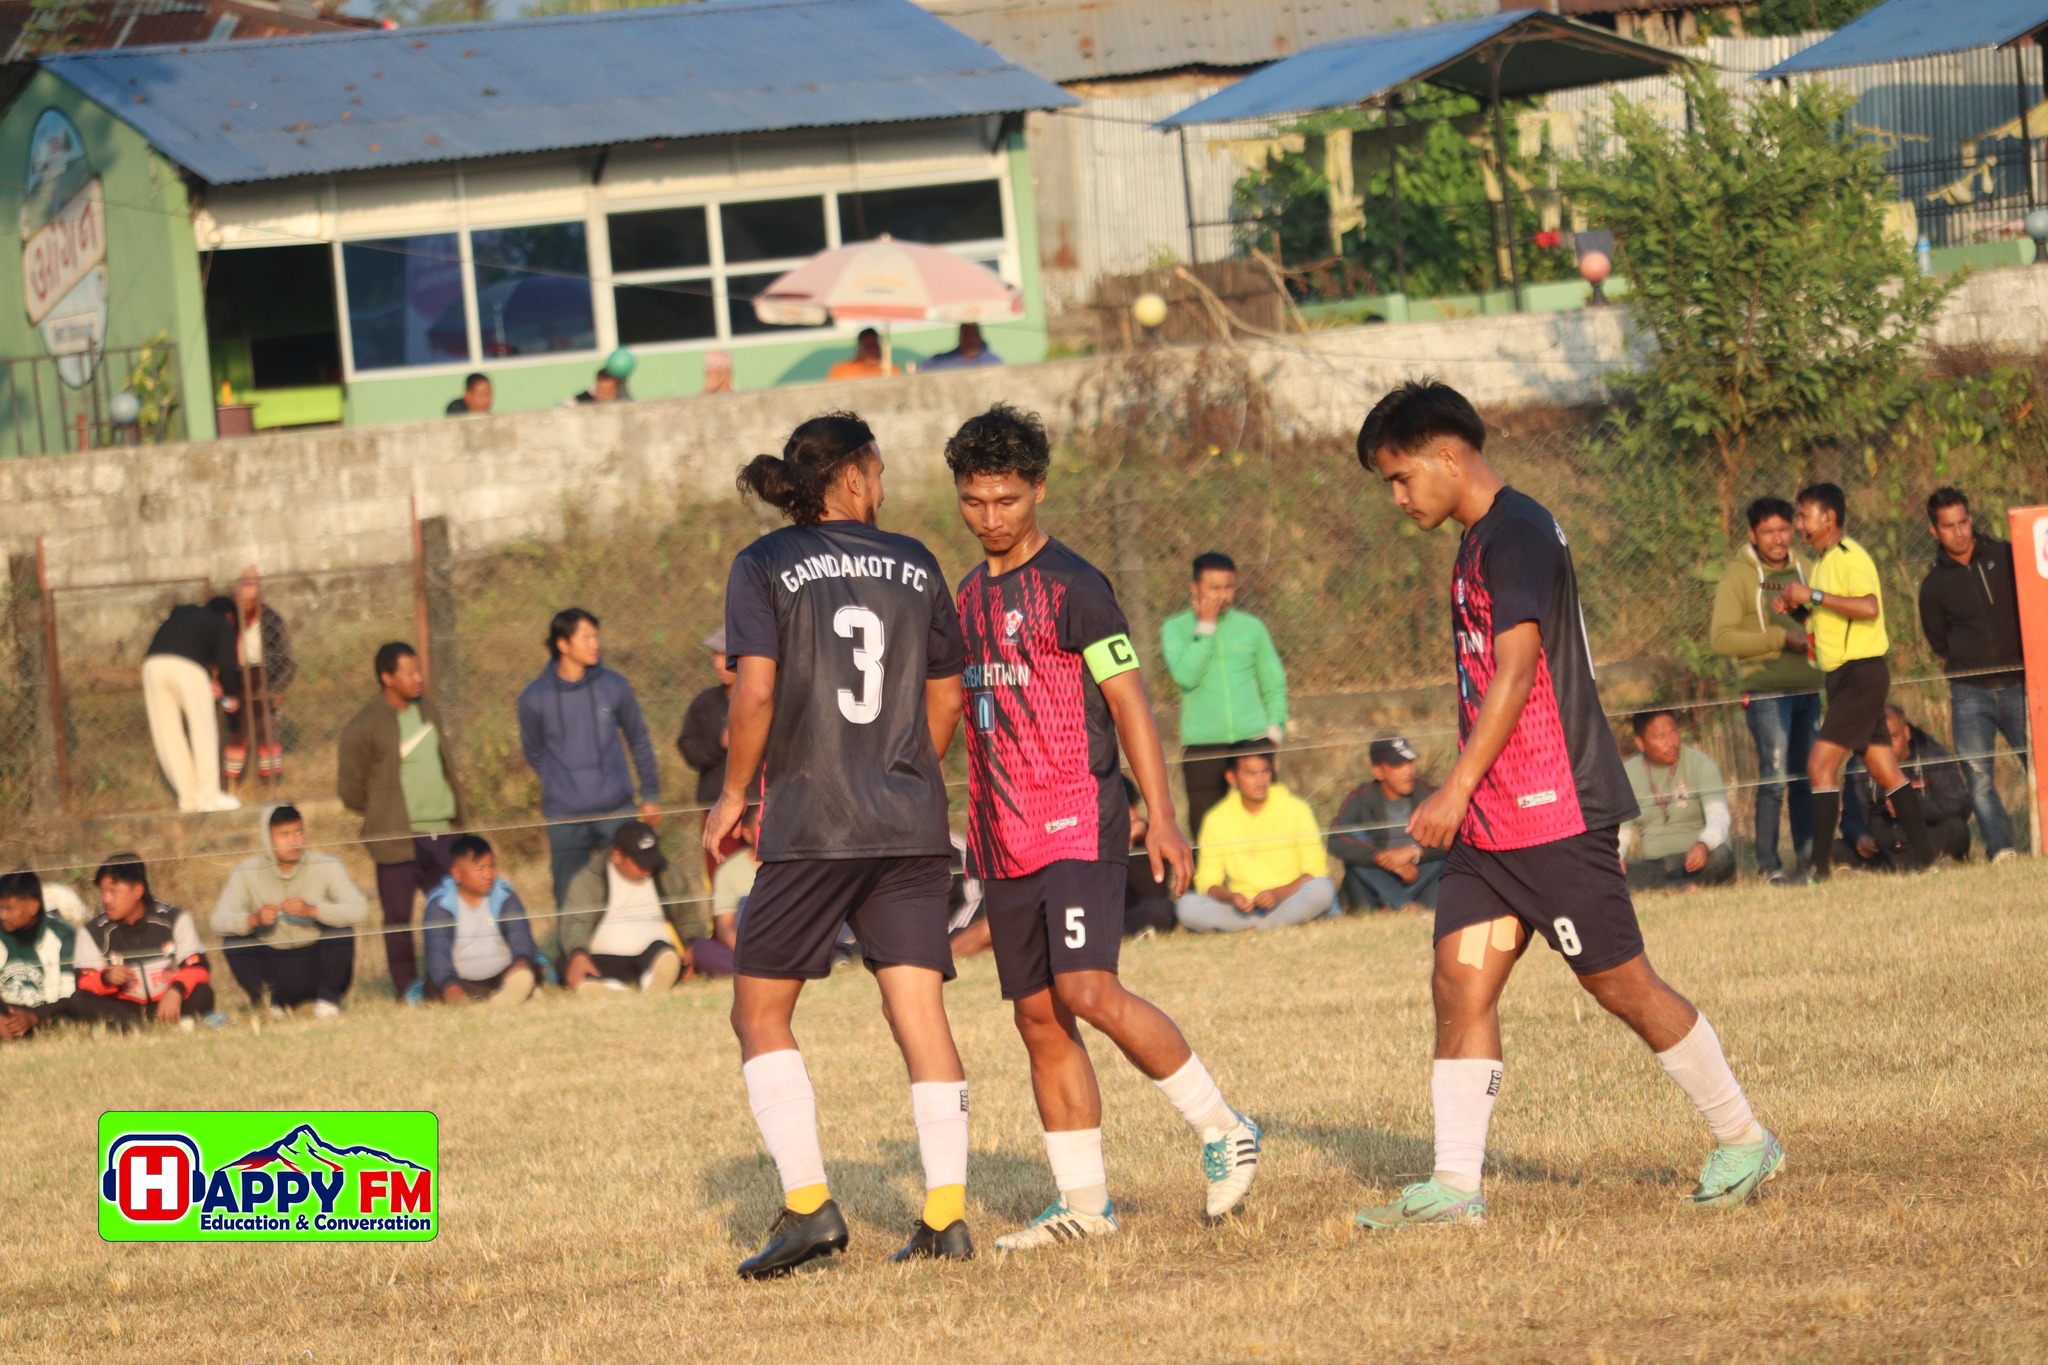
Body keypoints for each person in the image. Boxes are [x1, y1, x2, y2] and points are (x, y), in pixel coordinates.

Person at [1350, 380, 1779, 1229]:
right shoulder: (1478, 537)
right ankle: (1456, 1186)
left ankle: (1744, 1135)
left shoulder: (1514, 532)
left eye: (1400, 478)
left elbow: (1516, 671)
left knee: (1622, 985)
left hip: (1555, 809)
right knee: (1458, 981)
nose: (1397, 498)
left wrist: (1454, 785)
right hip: (1494, 824)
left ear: (1446, 455)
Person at [947, 402, 1260, 1250]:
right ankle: (1085, 1204)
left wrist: (1162, 816)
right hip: (1004, 838)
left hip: (1081, 819)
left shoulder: (1076, 586)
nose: (990, 517)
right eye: (974, 500)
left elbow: (1128, 699)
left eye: (1006, 499)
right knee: (1039, 1016)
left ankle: (1224, 1125)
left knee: (1088, 989)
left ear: (1039, 490)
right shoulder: (966, 597)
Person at [703, 410, 973, 1276]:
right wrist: (898, 776)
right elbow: (946, 701)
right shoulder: (917, 560)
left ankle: (811, 1207)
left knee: (759, 1011)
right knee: (918, 1009)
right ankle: (946, 1214)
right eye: (878, 465)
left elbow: (753, 694)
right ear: (852, 475)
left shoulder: (766, 562)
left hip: (816, 820)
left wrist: (737, 791)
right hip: (907, 817)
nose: (884, 479)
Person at [1772, 483, 1937, 881]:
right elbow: (1826, 619)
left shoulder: (1850, 556)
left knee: (1819, 765)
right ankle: (1926, 858)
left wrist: (1810, 593)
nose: (1799, 525)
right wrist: (1797, 609)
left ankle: (1819, 869)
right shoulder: (1825, 562)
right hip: (1844, 677)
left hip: (1860, 674)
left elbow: (1868, 606)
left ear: (1827, 518)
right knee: (1884, 768)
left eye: (1803, 516)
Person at [337, 642, 467, 1003]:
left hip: (442, 832)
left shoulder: (429, 712)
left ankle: (456, 978)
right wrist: (385, 811)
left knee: (452, 909)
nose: (418, 678)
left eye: (419, 670)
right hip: (396, 839)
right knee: (399, 920)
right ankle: (408, 989)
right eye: (409, 672)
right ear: (386, 678)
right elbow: (351, 790)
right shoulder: (363, 727)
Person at [518, 608, 663, 912]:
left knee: (630, 892)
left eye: (596, 636)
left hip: (616, 809)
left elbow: (638, 737)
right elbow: (534, 752)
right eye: (587, 638)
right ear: (563, 644)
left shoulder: (614, 686)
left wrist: (650, 793)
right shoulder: (534, 697)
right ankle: (574, 957)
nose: (595, 643)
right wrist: (562, 783)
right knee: (570, 896)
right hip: (565, 816)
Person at [1710, 496, 1821, 884]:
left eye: (1784, 529)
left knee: (1808, 776)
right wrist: (1778, 638)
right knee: (1773, 778)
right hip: (1766, 693)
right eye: (1768, 531)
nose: (1778, 538)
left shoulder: (1808, 569)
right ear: (1752, 534)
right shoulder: (1738, 576)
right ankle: (1769, 866)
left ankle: (1809, 862)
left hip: (1810, 689)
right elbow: (1721, 639)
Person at [1918, 487, 2027, 865]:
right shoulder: (1933, 586)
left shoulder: (2005, 556)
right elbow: (1939, 641)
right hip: (1969, 694)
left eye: (1964, 521)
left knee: (2041, 763)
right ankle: (2002, 849)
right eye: (1949, 526)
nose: (1960, 532)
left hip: (2022, 685)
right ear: (1934, 531)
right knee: (1979, 778)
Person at [1161, 552, 1289, 835]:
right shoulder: (1176, 628)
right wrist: (1205, 628)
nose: (1223, 595)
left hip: (1253, 742)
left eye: (1229, 587)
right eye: (1214, 588)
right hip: (1203, 745)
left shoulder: (1251, 627)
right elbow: (1185, 676)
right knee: (1206, 832)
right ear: (1194, 588)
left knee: (1267, 829)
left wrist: (1274, 729)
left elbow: (1273, 682)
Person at [212, 804, 367, 1018]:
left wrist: (314, 911)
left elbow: (360, 909)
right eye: (284, 835)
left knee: (342, 929)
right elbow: (218, 921)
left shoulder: (326, 865)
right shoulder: (246, 872)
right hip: (274, 966)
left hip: (316, 961)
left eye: (298, 832)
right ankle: (269, 1005)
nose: (294, 841)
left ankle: (328, 1002)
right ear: (268, 838)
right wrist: (253, 919)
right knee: (233, 941)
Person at [1174, 751, 1336, 932]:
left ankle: (1255, 927)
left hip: (1287, 899)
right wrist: (1232, 897)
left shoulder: (1297, 809)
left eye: (1264, 772)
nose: (1260, 781)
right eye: (1251, 774)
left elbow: (1316, 870)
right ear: (1231, 777)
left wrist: (1277, 893)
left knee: (1323, 888)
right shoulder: (1216, 818)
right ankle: (1269, 925)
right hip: (1242, 909)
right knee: (1186, 906)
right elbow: (1207, 879)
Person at [558, 821, 710, 991]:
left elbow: (688, 916)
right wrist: (578, 954)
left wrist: (693, 945)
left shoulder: (669, 874)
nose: (648, 869)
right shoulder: (588, 880)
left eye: (651, 860)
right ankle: (610, 986)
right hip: (603, 959)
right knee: (566, 962)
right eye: (640, 863)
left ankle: (653, 979)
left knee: (663, 951)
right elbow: (576, 922)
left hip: (654, 954)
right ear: (616, 855)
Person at [71, 853, 215, 1029]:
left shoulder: (174, 919)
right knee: (80, 1001)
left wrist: (176, 991)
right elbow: (83, 981)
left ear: (138, 890)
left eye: (113, 891)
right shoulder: (93, 932)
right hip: (123, 1007)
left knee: (203, 993)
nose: (106, 899)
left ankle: (166, 1022)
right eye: (103, 891)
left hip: (168, 1001)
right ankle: (135, 1026)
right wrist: (106, 978)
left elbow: (198, 968)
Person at [1839, 705, 1974, 871]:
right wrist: (1860, 836)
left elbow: (1960, 805)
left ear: (1907, 732)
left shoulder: (1933, 755)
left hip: (1927, 841)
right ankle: (1861, 869)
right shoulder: (1859, 763)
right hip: (1880, 848)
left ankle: (1931, 861)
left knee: (1957, 829)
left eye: (1893, 737)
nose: (1887, 746)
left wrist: (1914, 808)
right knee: (1831, 847)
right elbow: (1851, 816)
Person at [141, 597, 242, 813]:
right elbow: (227, 663)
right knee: (202, 728)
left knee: (168, 734)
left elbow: (185, 646)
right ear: (230, 615)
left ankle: (188, 800)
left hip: (152, 665)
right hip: (187, 668)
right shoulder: (221, 622)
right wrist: (231, 694)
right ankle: (209, 797)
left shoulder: (180, 617)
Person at [1619, 712, 1736, 892]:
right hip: (1655, 864)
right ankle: (1676, 887)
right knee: (1608, 872)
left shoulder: (1701, 764)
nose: (1671, 742)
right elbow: (1622, 832)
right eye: (1660, 737)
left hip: (1697, 860)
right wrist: (1616, 857)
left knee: (1722, 857)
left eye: (1674, 733)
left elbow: (1719, 817)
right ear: (1640, 743)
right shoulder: (1626, 774)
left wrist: (1704, 845)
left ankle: (1666, 887)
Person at [1330, 735, 1447, 911]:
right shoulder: (1360, 797)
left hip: (1420, 873)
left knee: (1445, 858)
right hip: (1377, 877)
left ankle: (1395, 905)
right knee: (1357, 859)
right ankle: (1402, 904)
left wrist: (1415, 852)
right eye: (1398, 765)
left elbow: (1457, 834)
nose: (1409, 771)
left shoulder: (1431, 794)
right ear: (1378, 772)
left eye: (1410, 762)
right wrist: (1381, 858)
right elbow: (1335, 839)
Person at [421, 835, 542, 1005]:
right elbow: (437, 953)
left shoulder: (505, 896)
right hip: (461, 980)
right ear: (456, 873)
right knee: (434, 986)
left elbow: (521, 935)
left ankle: (515, 990)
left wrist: (521, 963)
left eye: (491, 866)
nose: (488, 874)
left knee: (528, 970)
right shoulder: (440, 905)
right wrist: (449, 985)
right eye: (479, 868)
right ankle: (511, 996)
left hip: (503, 974)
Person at [222, 566, 296, 784]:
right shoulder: (226, 618)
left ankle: (270, 779)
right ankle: (232, 779)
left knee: (269, 725)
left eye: (254, 584)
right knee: (236, 726)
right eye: (245, 584)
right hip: (233, 675)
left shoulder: (270, 619)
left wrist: (277, 687)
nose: (248, 596)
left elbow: (285, 659)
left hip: (264, 673)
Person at [0, 870, 78, 1040]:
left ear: (33, 906)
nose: (2, 915)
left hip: (48, 1015)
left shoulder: (63, 936)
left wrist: (34, 1017)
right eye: (0, 907)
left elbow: (70, 997)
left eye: (9, 908)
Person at [1121, 777, 1178, 937]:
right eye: (1123, 808)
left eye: (1133, 806)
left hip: (1136, 912)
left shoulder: (1149, 837)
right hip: (1098, 915)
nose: (1133, 815)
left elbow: (1153, 895)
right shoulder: (1085, 841)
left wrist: (1131, 844)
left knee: (1163, 910)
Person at [922, 322, 1003, 370]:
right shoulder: (942, 362)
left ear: (980, 337)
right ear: (960, 338)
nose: (970, 340)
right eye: (967, 335)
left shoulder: (993, 361)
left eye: (973, 335)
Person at [825, 328, 899, 381]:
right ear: (859, 349)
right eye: (868, 347)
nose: (872, 351)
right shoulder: (842, 370)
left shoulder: (890, 370)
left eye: (875, 346)